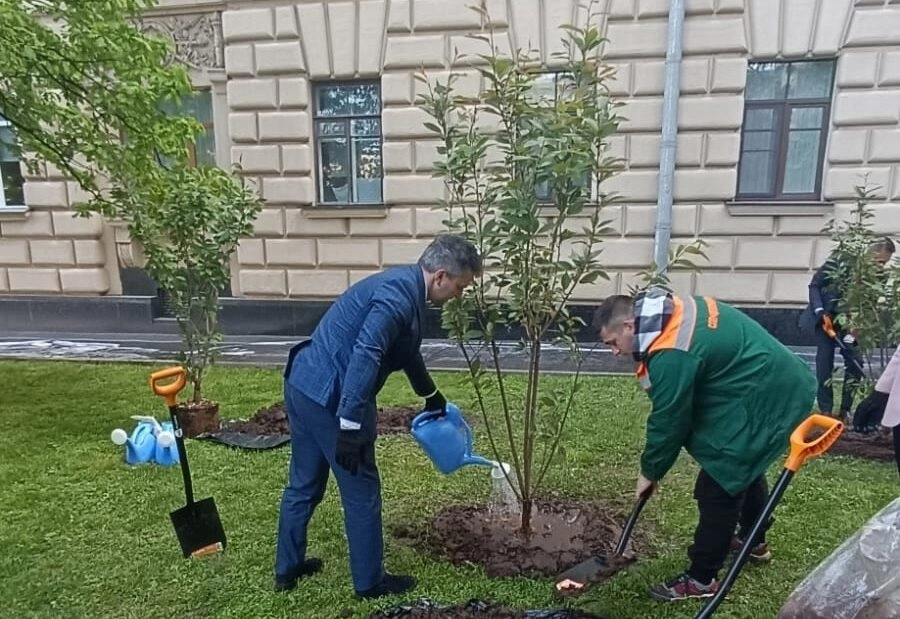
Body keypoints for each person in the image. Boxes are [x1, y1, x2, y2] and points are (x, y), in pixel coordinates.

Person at [274, 233, 481, 598]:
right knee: (361, 489)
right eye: (460, 287)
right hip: (330, 398)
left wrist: (430, 394)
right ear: (441, 277)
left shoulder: (403, 286)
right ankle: (369, 583)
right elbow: (366, 354)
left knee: (303, 484)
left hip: (303, 383)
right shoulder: (396, 299)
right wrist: (350, 427)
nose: (458, 296)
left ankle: (287, 569)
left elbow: (404, 348)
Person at [593, 288, 816, 602]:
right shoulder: (667, 313)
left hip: (772, 394)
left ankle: (701, 579)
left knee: (719, 484)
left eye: (612, 343)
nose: (614, 352)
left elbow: (670, 420)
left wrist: (650, 472)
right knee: (742, 467)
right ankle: (755, 541)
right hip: (769, 379)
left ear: (629, 326)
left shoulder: (671, 351)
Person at [800, 238, 895, 420]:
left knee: (855, 362)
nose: (881, 267)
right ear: (871, 253)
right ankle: (826, 409)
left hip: (851, 322)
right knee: (824, 362)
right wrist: (820, 311)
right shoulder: (841, 261)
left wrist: (855, 329)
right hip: (826, 318)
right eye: (880, 261)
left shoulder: (879, 277)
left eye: (885, 263)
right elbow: (815, 285)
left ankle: (844, 411)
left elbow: (870, 305)